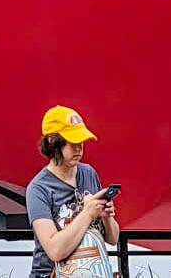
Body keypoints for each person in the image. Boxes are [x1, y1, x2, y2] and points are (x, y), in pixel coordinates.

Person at [27, 105, 119, 278]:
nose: (79, 149)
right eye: (72, 143)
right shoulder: (38, 189)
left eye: (81, 142)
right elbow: (54, 251)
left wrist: (107, 216)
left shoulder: (88, 172)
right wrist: (88, 214)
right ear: (52, 144)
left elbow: (113, 239)